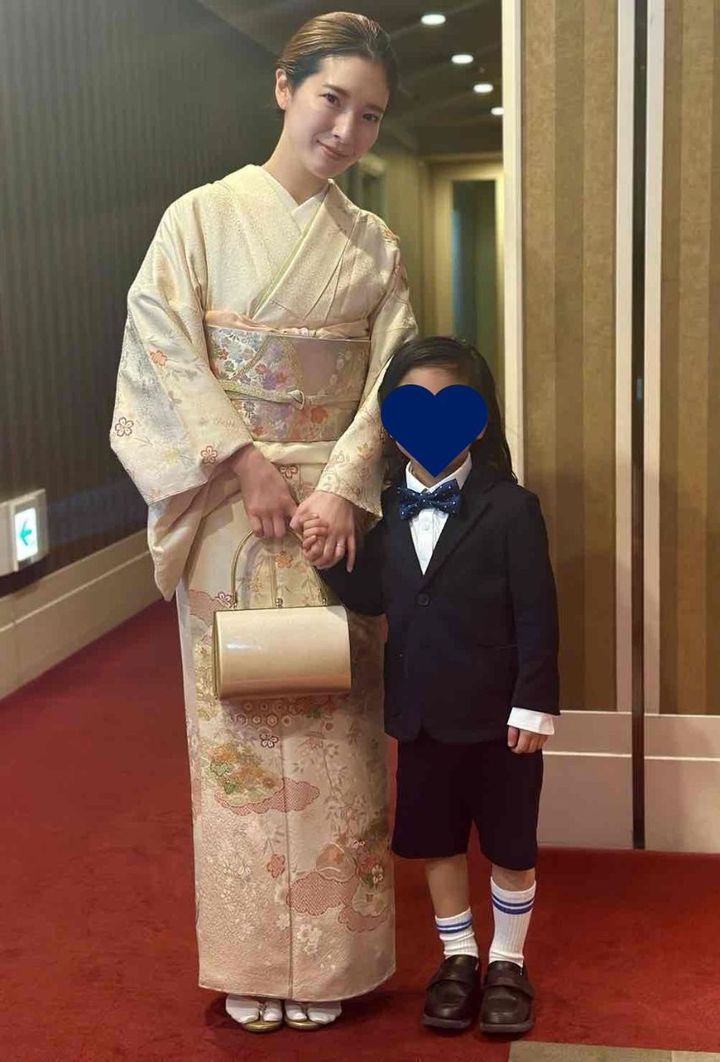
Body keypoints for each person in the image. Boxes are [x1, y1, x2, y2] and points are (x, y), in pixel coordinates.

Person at [111, 12, 416, 1033]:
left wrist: (344, 485)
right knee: (236, 735)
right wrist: (244, 463)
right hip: (230, 513)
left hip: (332, 518)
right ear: (285, 87)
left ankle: (332, 962)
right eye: (333, 100)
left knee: (338, 731)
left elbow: (393, 378)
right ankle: (248, 954)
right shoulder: (197, 220)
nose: (346, 130)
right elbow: (161, 348)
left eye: (370, 115)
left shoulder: (374, 245)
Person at [303, 336, 559, 1036]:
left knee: (509, 844)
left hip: (501, 717)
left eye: (451, 404)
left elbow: (538, 614)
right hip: (420, 715)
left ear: (479, 419)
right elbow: (374, 597)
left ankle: (508, 962)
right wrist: (326, 558)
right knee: (438, 841)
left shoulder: (512, 508)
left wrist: (535, 702)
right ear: (391, 423)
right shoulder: (385, 511)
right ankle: (458, 957)